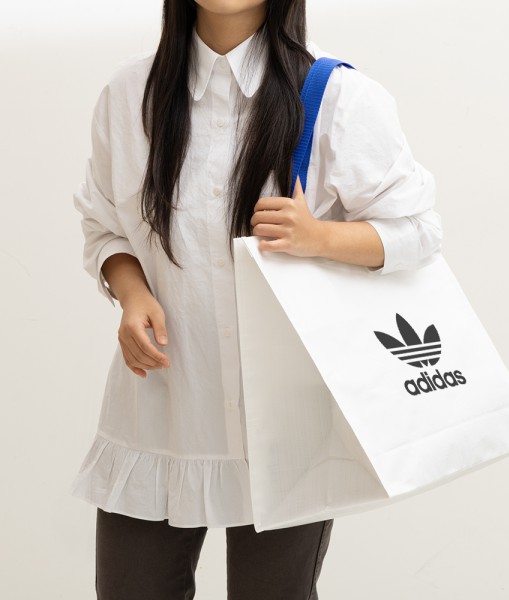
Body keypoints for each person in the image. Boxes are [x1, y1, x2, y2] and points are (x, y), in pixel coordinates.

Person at [70, 0, 443, 598]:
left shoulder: (338, 96)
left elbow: (418, 231)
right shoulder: (129, 94)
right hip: (160, 408)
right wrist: (132, 293)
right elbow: (104, 225)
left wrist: (320, 237)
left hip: (286, 426)